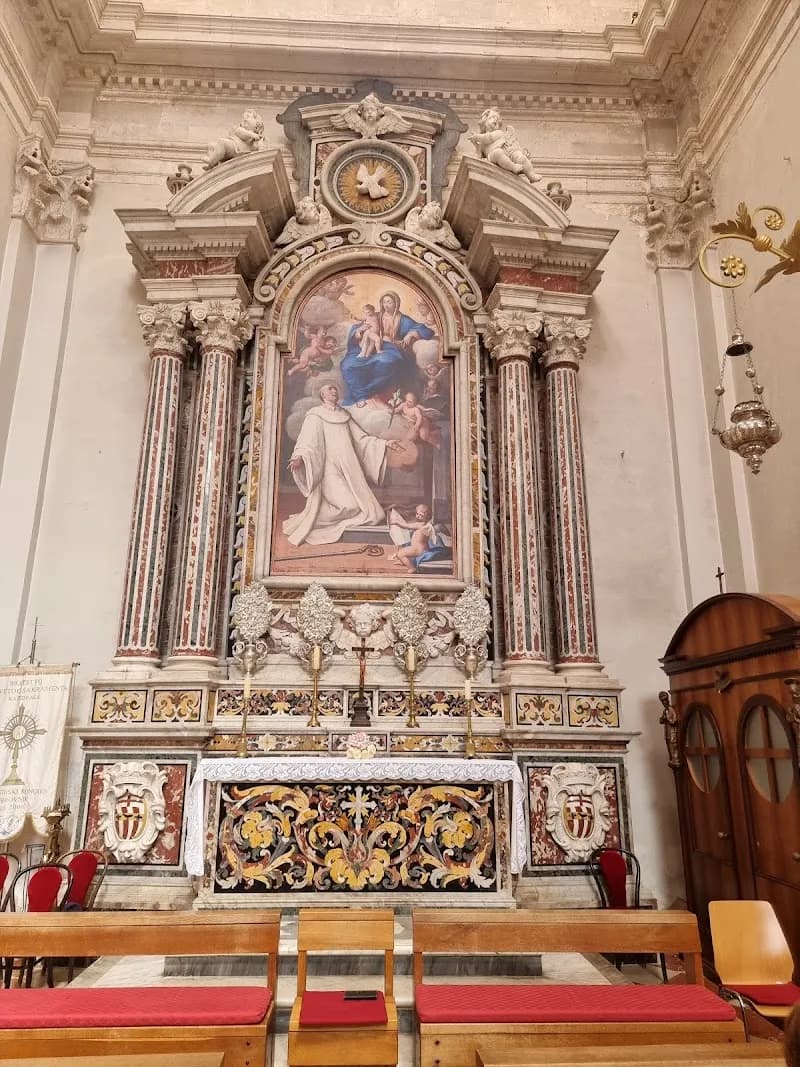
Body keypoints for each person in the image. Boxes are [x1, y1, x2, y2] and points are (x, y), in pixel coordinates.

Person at [283, 383, 401, 546]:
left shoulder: (344, 414)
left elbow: (361, 439)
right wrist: (299, 457)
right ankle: (312, 517)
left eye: (335, 389)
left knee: (370, 513)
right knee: (349, 506)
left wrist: (385, 444)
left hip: (351, 471)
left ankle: (314, 516)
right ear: (322, 394)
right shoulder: (316, 415)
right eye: (329, 389)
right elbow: (308, 441)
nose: (333, 391)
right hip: (329, 470)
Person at [340, 291, 434, 407]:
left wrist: (410, 334)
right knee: (348, 364)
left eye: (389, 302)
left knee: (385, 362)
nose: (386, 305)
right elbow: (360, 325)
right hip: (369, 346)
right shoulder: (376, 315)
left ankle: (370, 394)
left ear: (396, 304)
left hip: (390, 348)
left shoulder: (402, 319)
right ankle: (360, 396)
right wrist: (358, 332)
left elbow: (425, 330)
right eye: (384, 302)